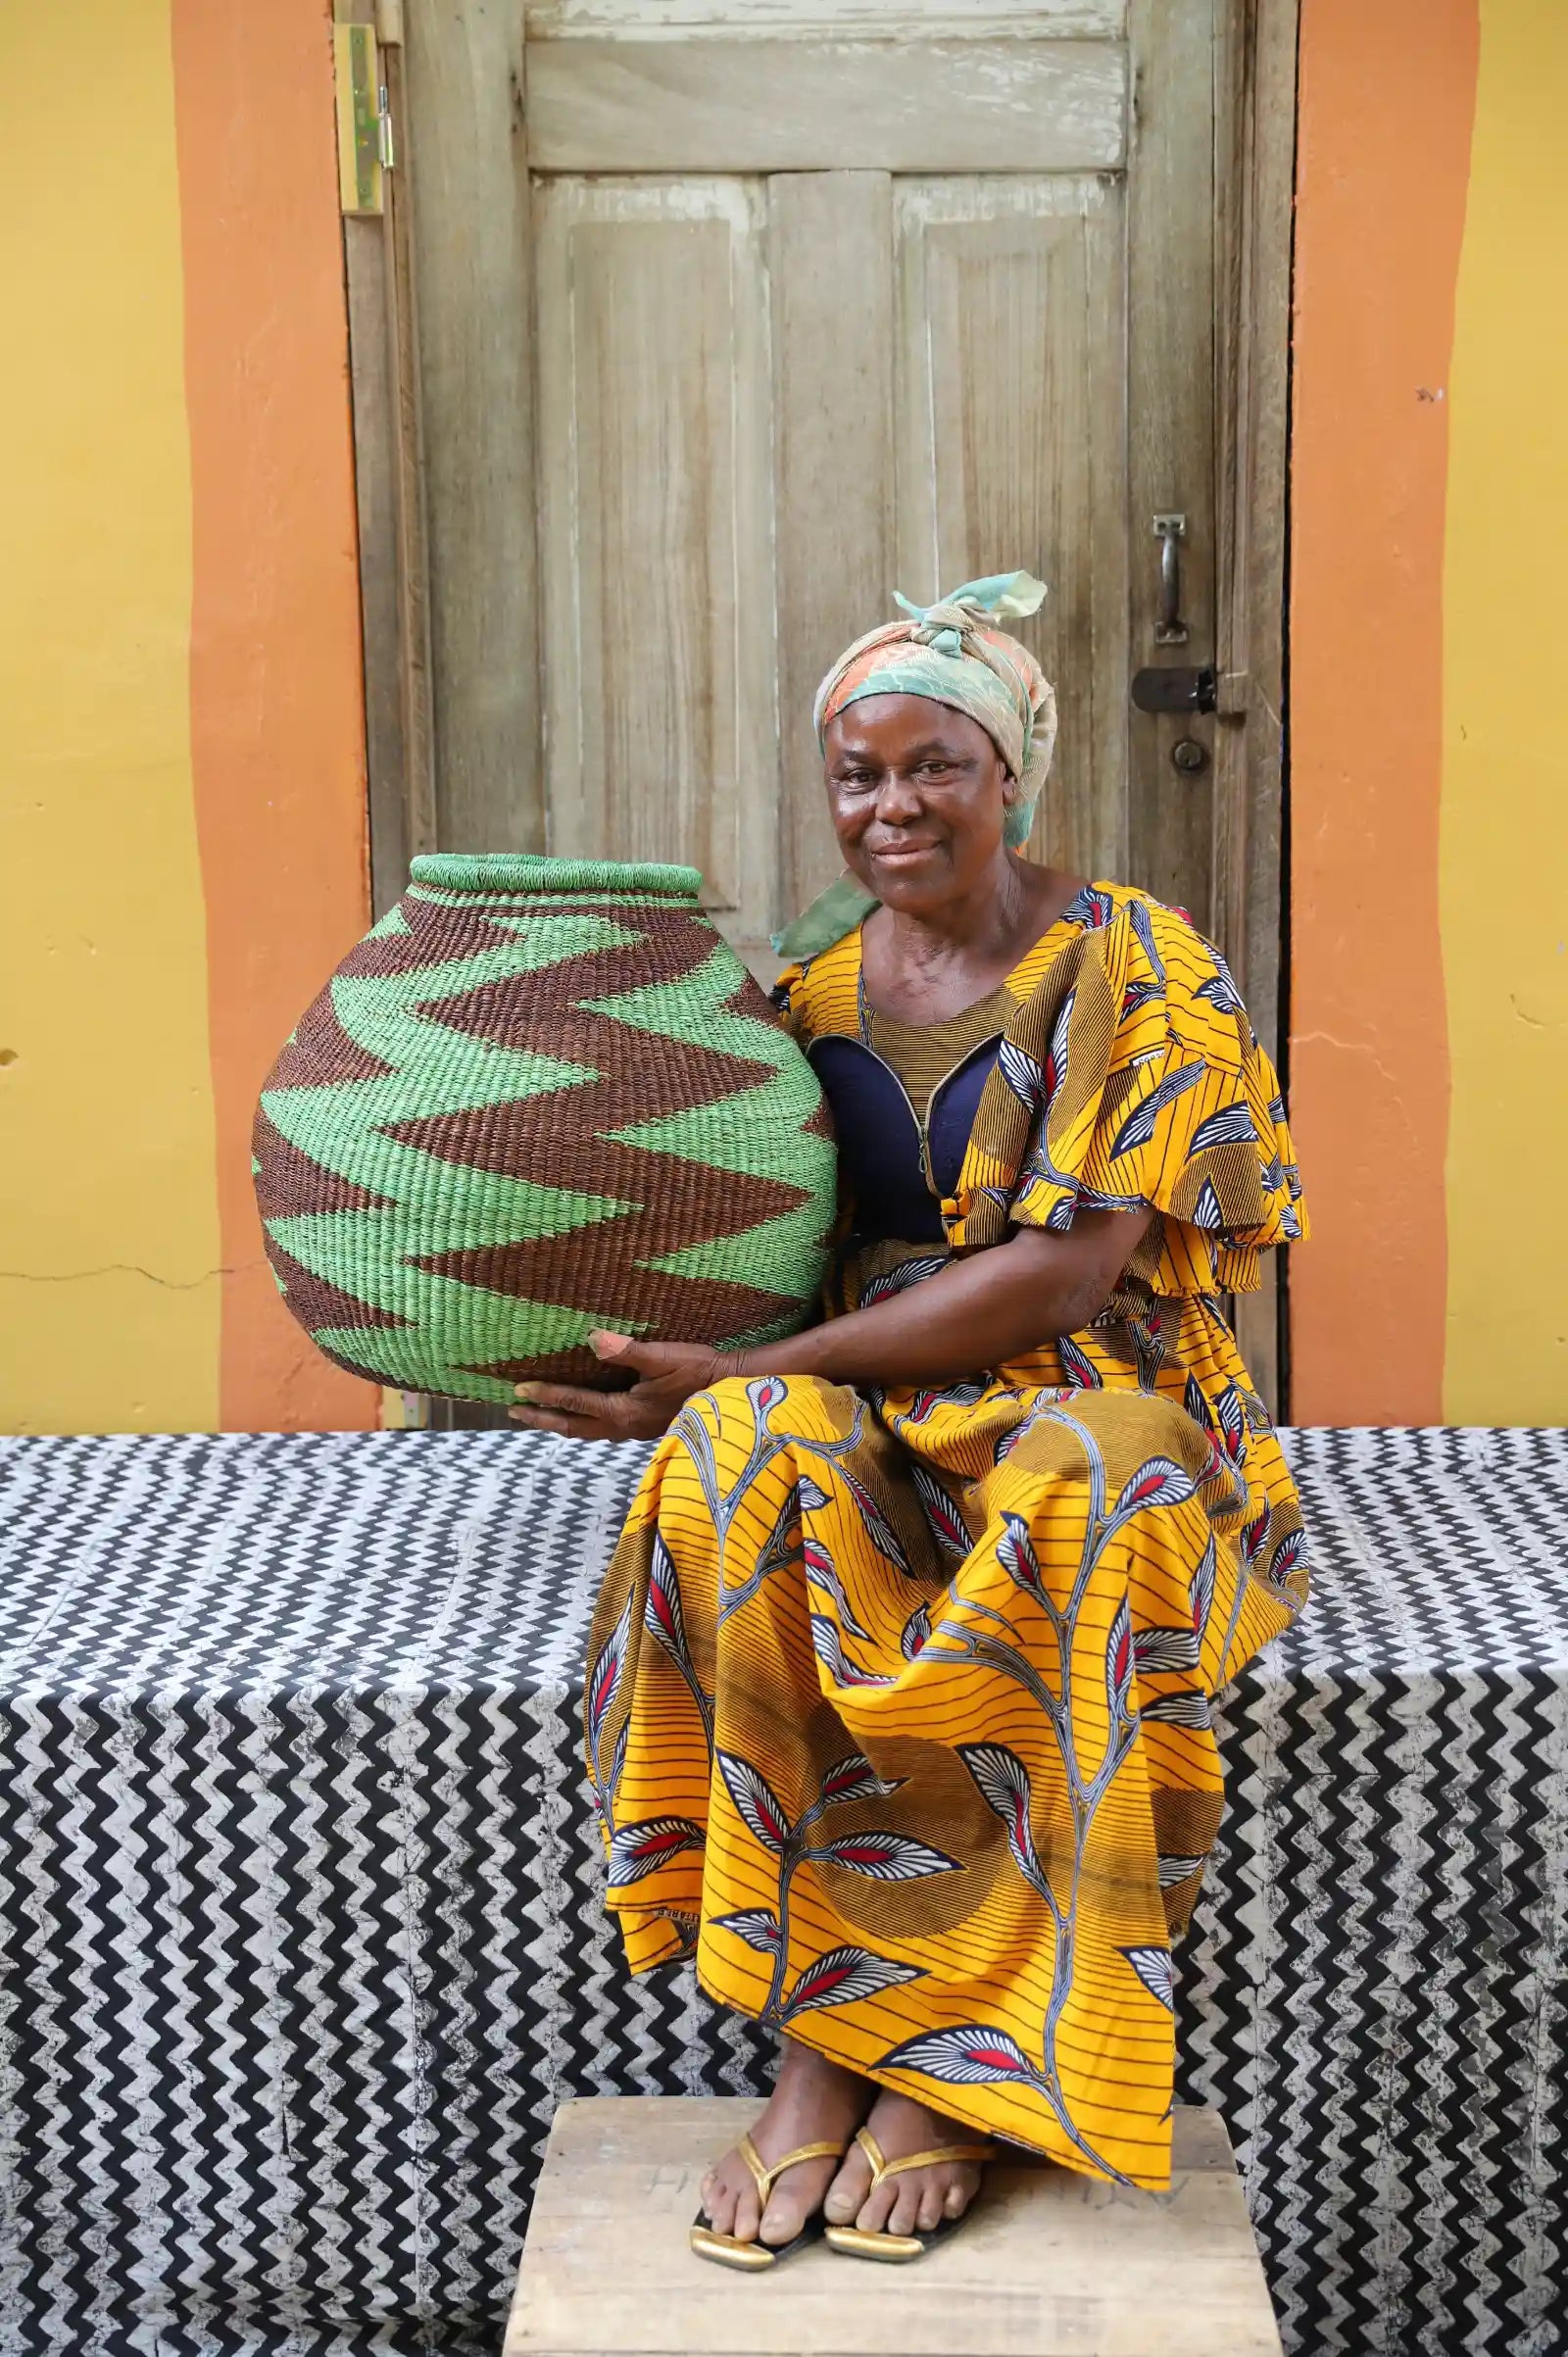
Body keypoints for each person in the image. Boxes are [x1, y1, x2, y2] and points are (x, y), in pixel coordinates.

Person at [510, 573, 1309, 2270]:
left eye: (934, 764)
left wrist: (760, 1363)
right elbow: (736, 1237)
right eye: (857, 774)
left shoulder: (1136, 963)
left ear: (1011, 769)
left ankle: (961, 2063)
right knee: (732, 1462)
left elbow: (1066, 1278)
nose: (893, 805)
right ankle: (828, 2031)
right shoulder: (808, 994)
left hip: (1103, 1393)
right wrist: (632, 1346)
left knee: (1086, 1495)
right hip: (878, 1400)